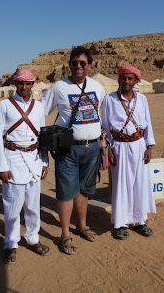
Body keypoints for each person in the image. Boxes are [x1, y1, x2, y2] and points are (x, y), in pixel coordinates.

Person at [41, 46, 106, 255]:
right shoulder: (58, 88)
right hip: (68, 149)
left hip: (93, 147)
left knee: (84, 190)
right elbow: (39, 111)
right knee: (66, 192)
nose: (78, 66)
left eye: (82, 63)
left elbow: (102, 114)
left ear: (89, 65)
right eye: (74, 62)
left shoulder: (97, 86)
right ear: (69, 65)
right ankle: (65, 234)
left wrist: (104, 144)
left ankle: (82, 225)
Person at [0, 68, 50, 264]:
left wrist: (44, 161)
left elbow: (42, 136)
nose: (24, 87)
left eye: (28, 84)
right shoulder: (4, 106)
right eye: (20, 84)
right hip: (13, 160)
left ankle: (33, 238)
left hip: (34, 160)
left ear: (32, 85)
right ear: (15, 84)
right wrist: (2, 166)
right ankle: (11, 243)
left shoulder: (39, 107)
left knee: (33, 206)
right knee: (12, 206)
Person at [101, 65, 156, 240]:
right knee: (121, 185)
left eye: (130, 78)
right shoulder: (109, 99)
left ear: (136, 81)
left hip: (139, 146)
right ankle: (121, 223)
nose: (126, 81)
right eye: (123, 78)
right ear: (118, 80)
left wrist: (149, 146)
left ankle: (140, 221)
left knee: (139, 184)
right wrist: (108, 148)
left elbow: (148, 123)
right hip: (119, 147)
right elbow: (105, 128)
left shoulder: (143, 100)